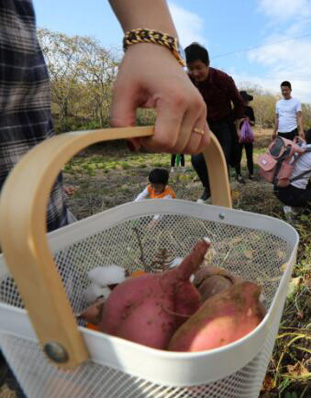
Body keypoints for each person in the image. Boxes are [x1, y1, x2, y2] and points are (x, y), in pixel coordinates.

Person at [0, 1, 210, 395]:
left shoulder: (168, 194)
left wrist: (150, 37)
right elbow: (140, 198)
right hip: (26, 193)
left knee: (57, 361)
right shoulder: (149, 191)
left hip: (29, 213)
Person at [185, 43, 245, 201]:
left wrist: (237, 127)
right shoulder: (187, 80)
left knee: (221, 161)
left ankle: (224, 193)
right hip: (203, 125)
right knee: (197, 159)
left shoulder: (223, 79)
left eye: (199, 67)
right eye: (191, 69)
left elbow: (239, 103)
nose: (195, 73)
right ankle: (209, 188)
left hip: (224, 124)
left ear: (207, 64)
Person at [237, 90, 256, 180]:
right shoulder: (236, 109)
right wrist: (238, 127)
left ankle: (251, 173)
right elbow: (233, 123)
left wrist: (249, 121)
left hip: (248, 136)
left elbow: (253, 123)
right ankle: (238, 174)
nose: (247, 101)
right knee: (238, 156)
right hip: (239, 136)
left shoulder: (250, 109)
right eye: (245, 100)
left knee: (249, 155)